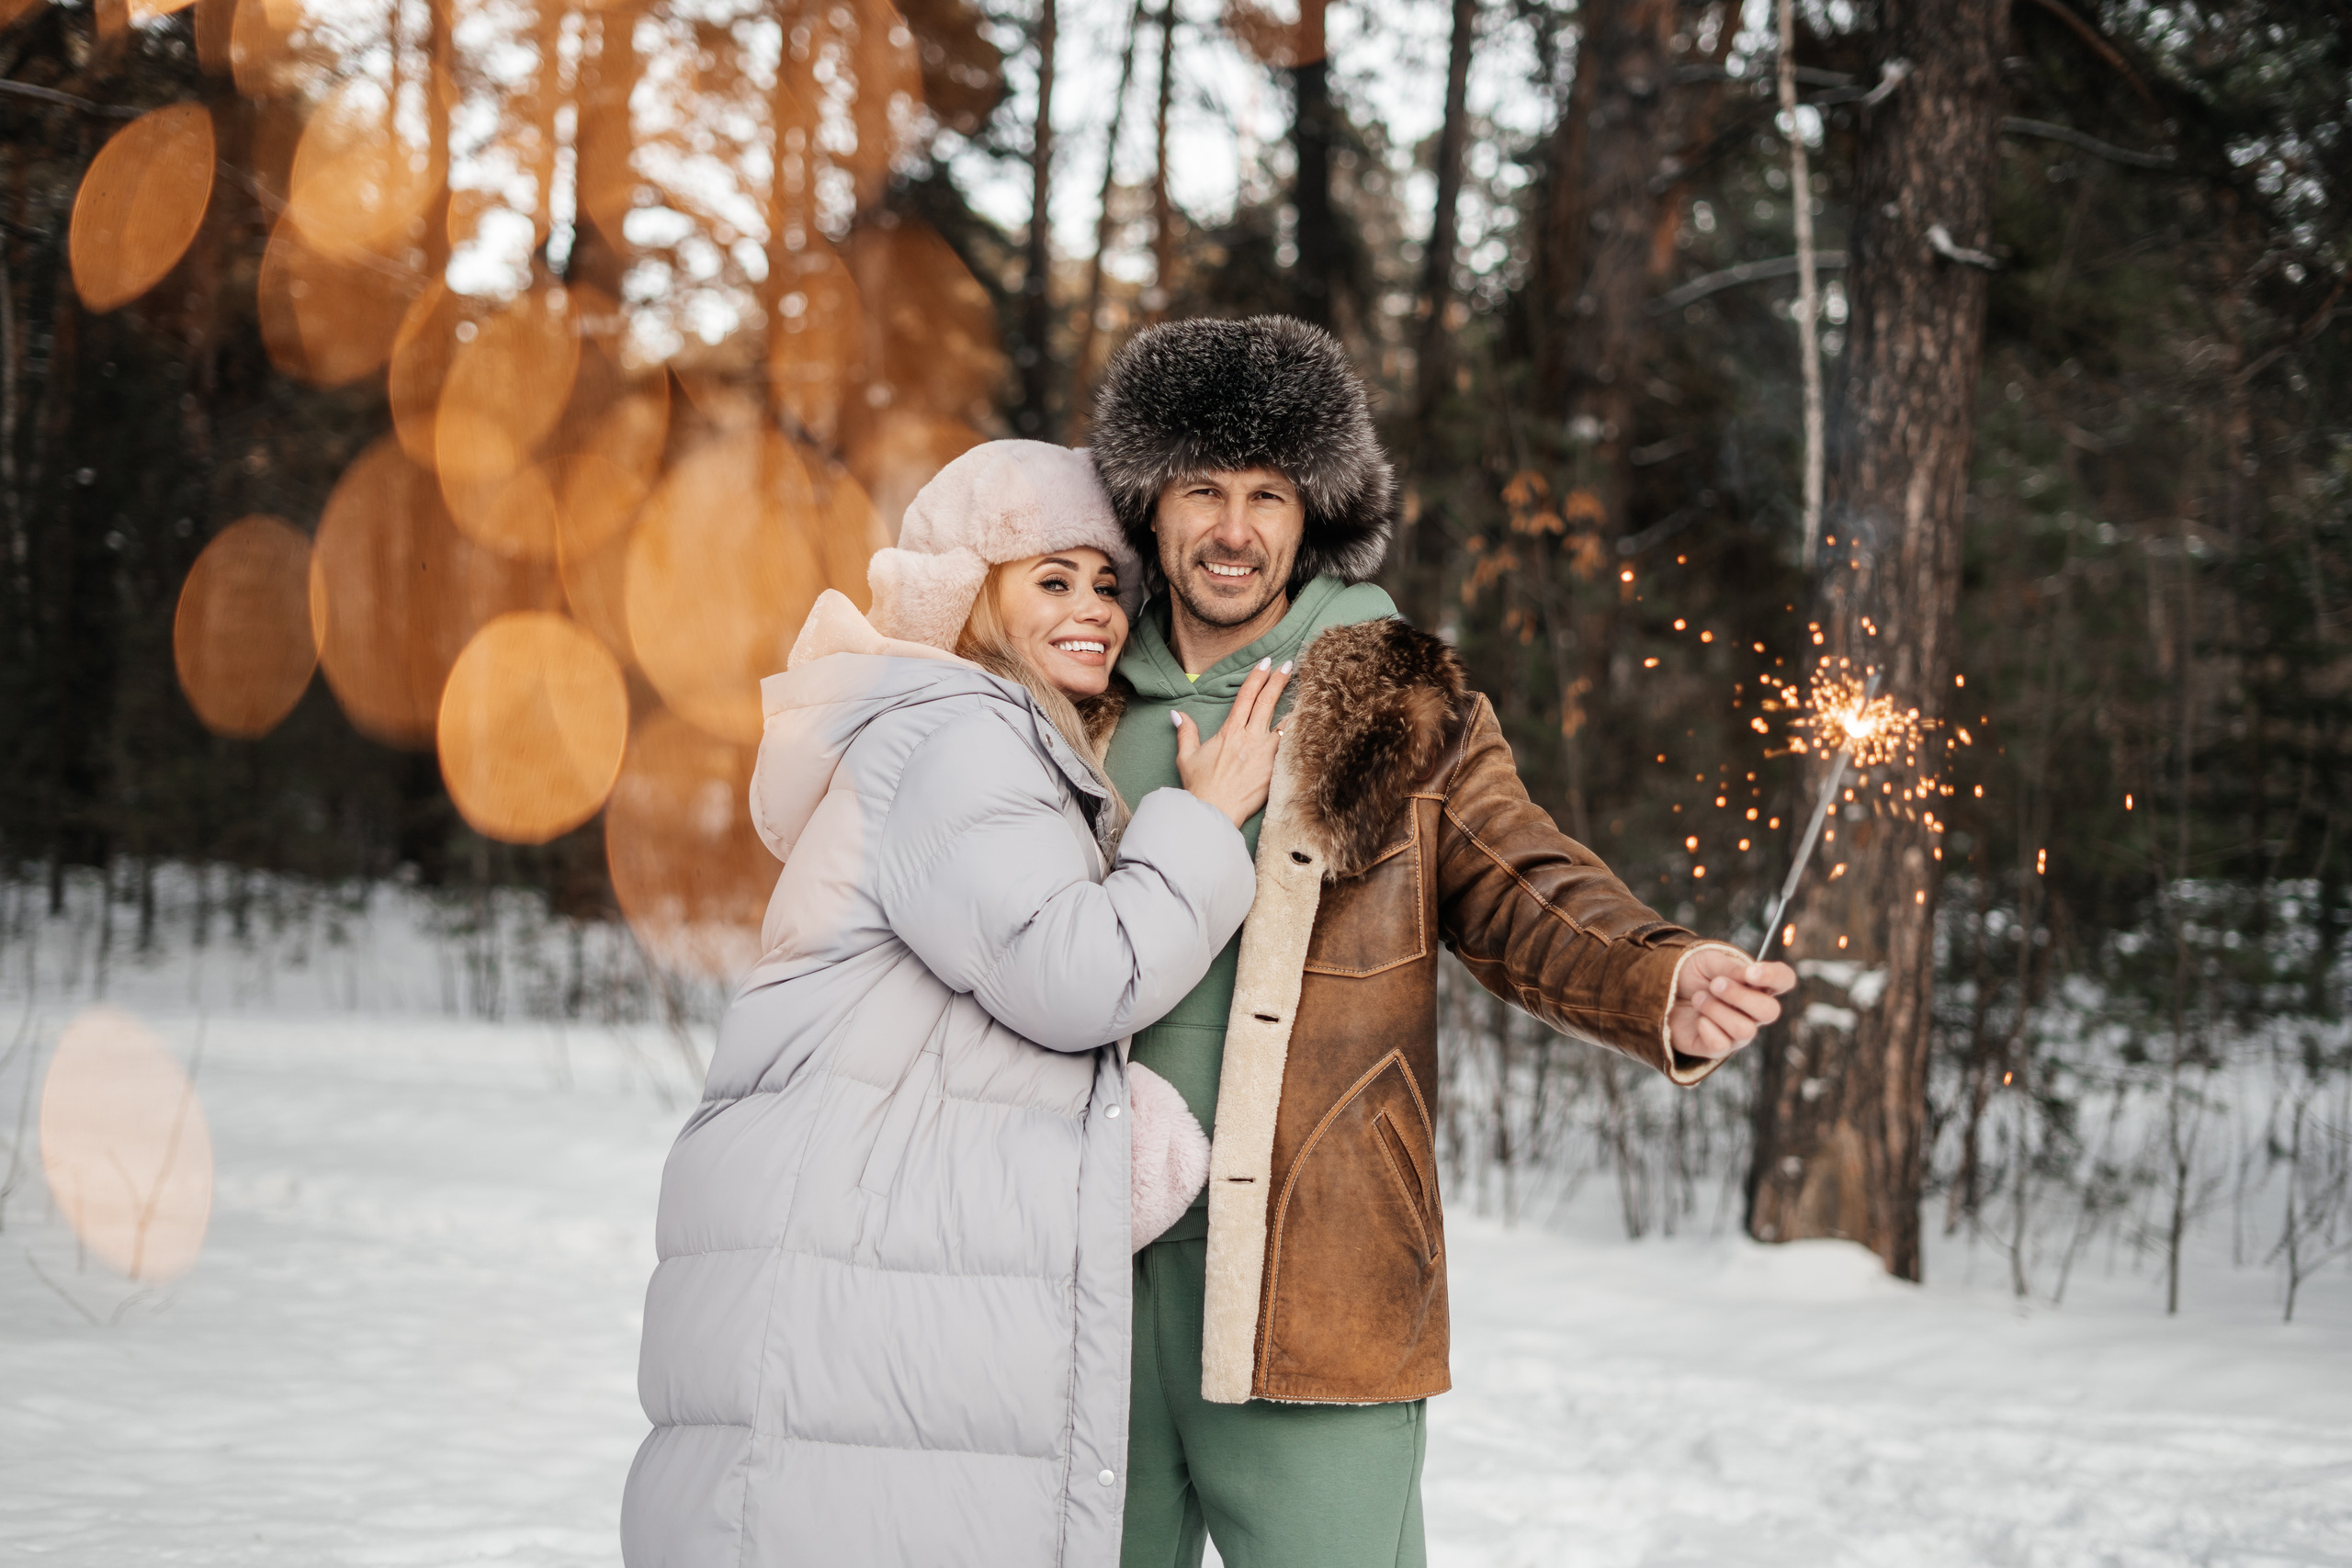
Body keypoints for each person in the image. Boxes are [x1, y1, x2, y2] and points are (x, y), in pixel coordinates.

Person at [1088, 316, 1801, 1568]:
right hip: (1082, 1245)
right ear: (1150, 504)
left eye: (1269, 493)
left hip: (1321, 1250)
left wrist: (1661, 972)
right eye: (1203, 489)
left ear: (1316, 511)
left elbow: (1518, 875)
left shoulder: (1391, 690)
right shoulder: (1077, 690)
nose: (1236, 530)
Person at [619, 439, 1291, 1567]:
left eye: (1108, 584)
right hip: (845, 1271)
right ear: (972, 597)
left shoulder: (947, 731)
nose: (1096, 612)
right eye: (1051, 580)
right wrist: (1203, 820)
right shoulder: (965, 735)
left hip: (840, 1255)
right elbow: (1078, 975)